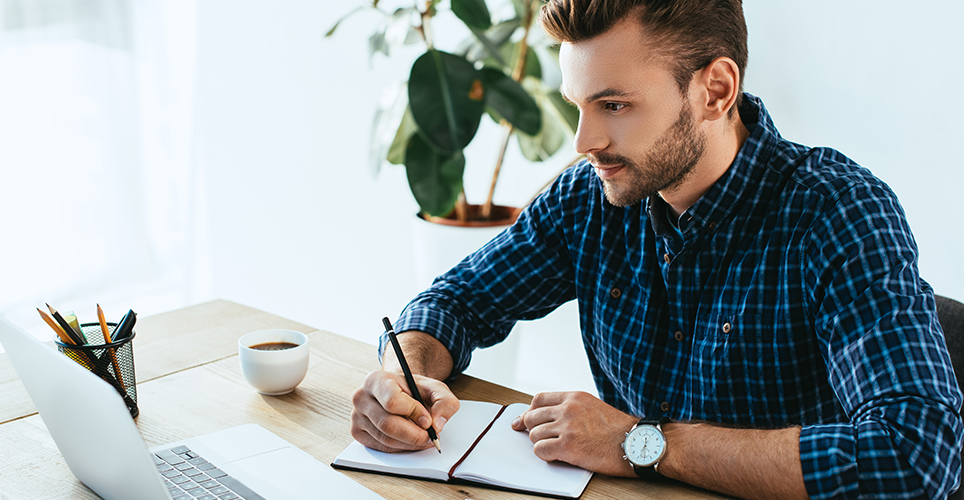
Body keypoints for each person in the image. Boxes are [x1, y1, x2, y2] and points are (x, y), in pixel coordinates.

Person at [350, 1, 963, 498]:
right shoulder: (589, 197)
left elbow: (915, 455)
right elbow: (456, 300)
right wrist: (403, 375)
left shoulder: (837, 212)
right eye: (579, 106)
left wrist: (641, 443)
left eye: (614, 105)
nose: (586, 140)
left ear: (715, 91)